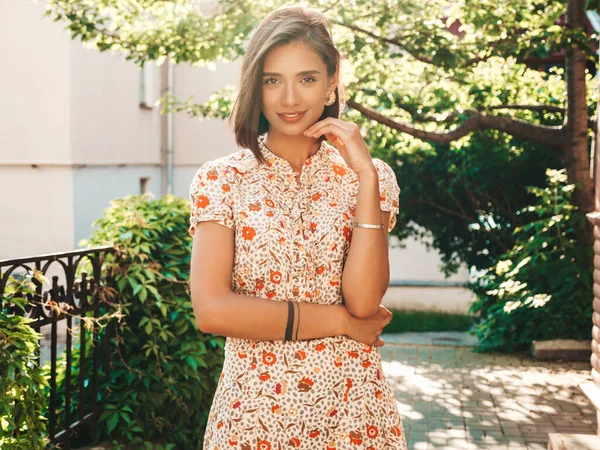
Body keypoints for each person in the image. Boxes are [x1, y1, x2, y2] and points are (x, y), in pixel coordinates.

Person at [188, 5, 407, 449]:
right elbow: (212, 311)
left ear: (331, 85)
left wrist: (364, 175)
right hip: (253, 414)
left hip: (354, 411)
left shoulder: (372, 177)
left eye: (307, 79)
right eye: (273, 80)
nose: (289, 99)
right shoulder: (221, 179)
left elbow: (365, 303)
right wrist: (340, 323)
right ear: (255, 86)